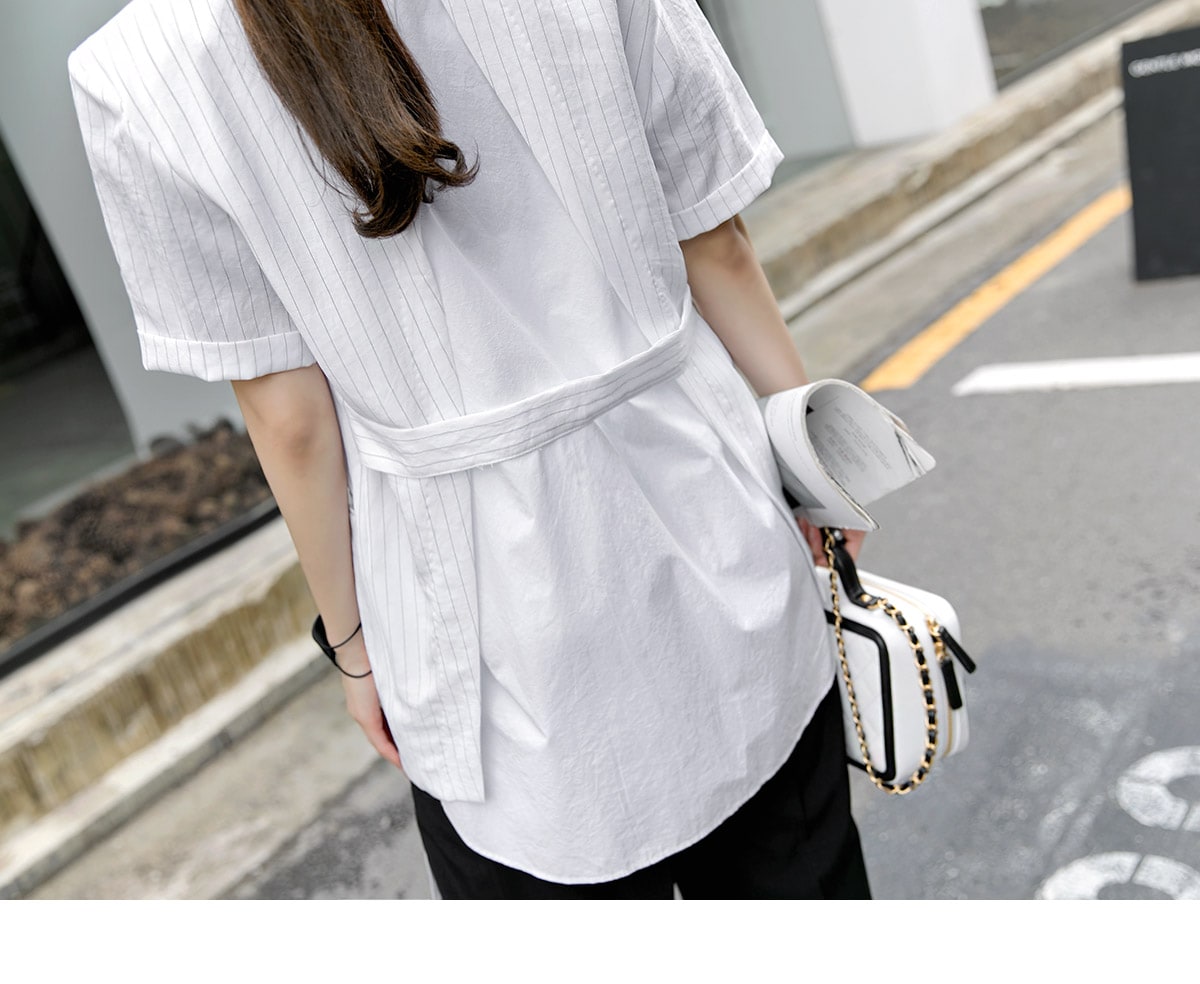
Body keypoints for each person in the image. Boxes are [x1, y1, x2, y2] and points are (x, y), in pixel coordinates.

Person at [69, 0, 871, 899]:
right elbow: (717, 246)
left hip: (472, 616)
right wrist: (815, 472)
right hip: (710, 507)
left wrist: (357, 651)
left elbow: (290, 422)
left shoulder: (135, 73)